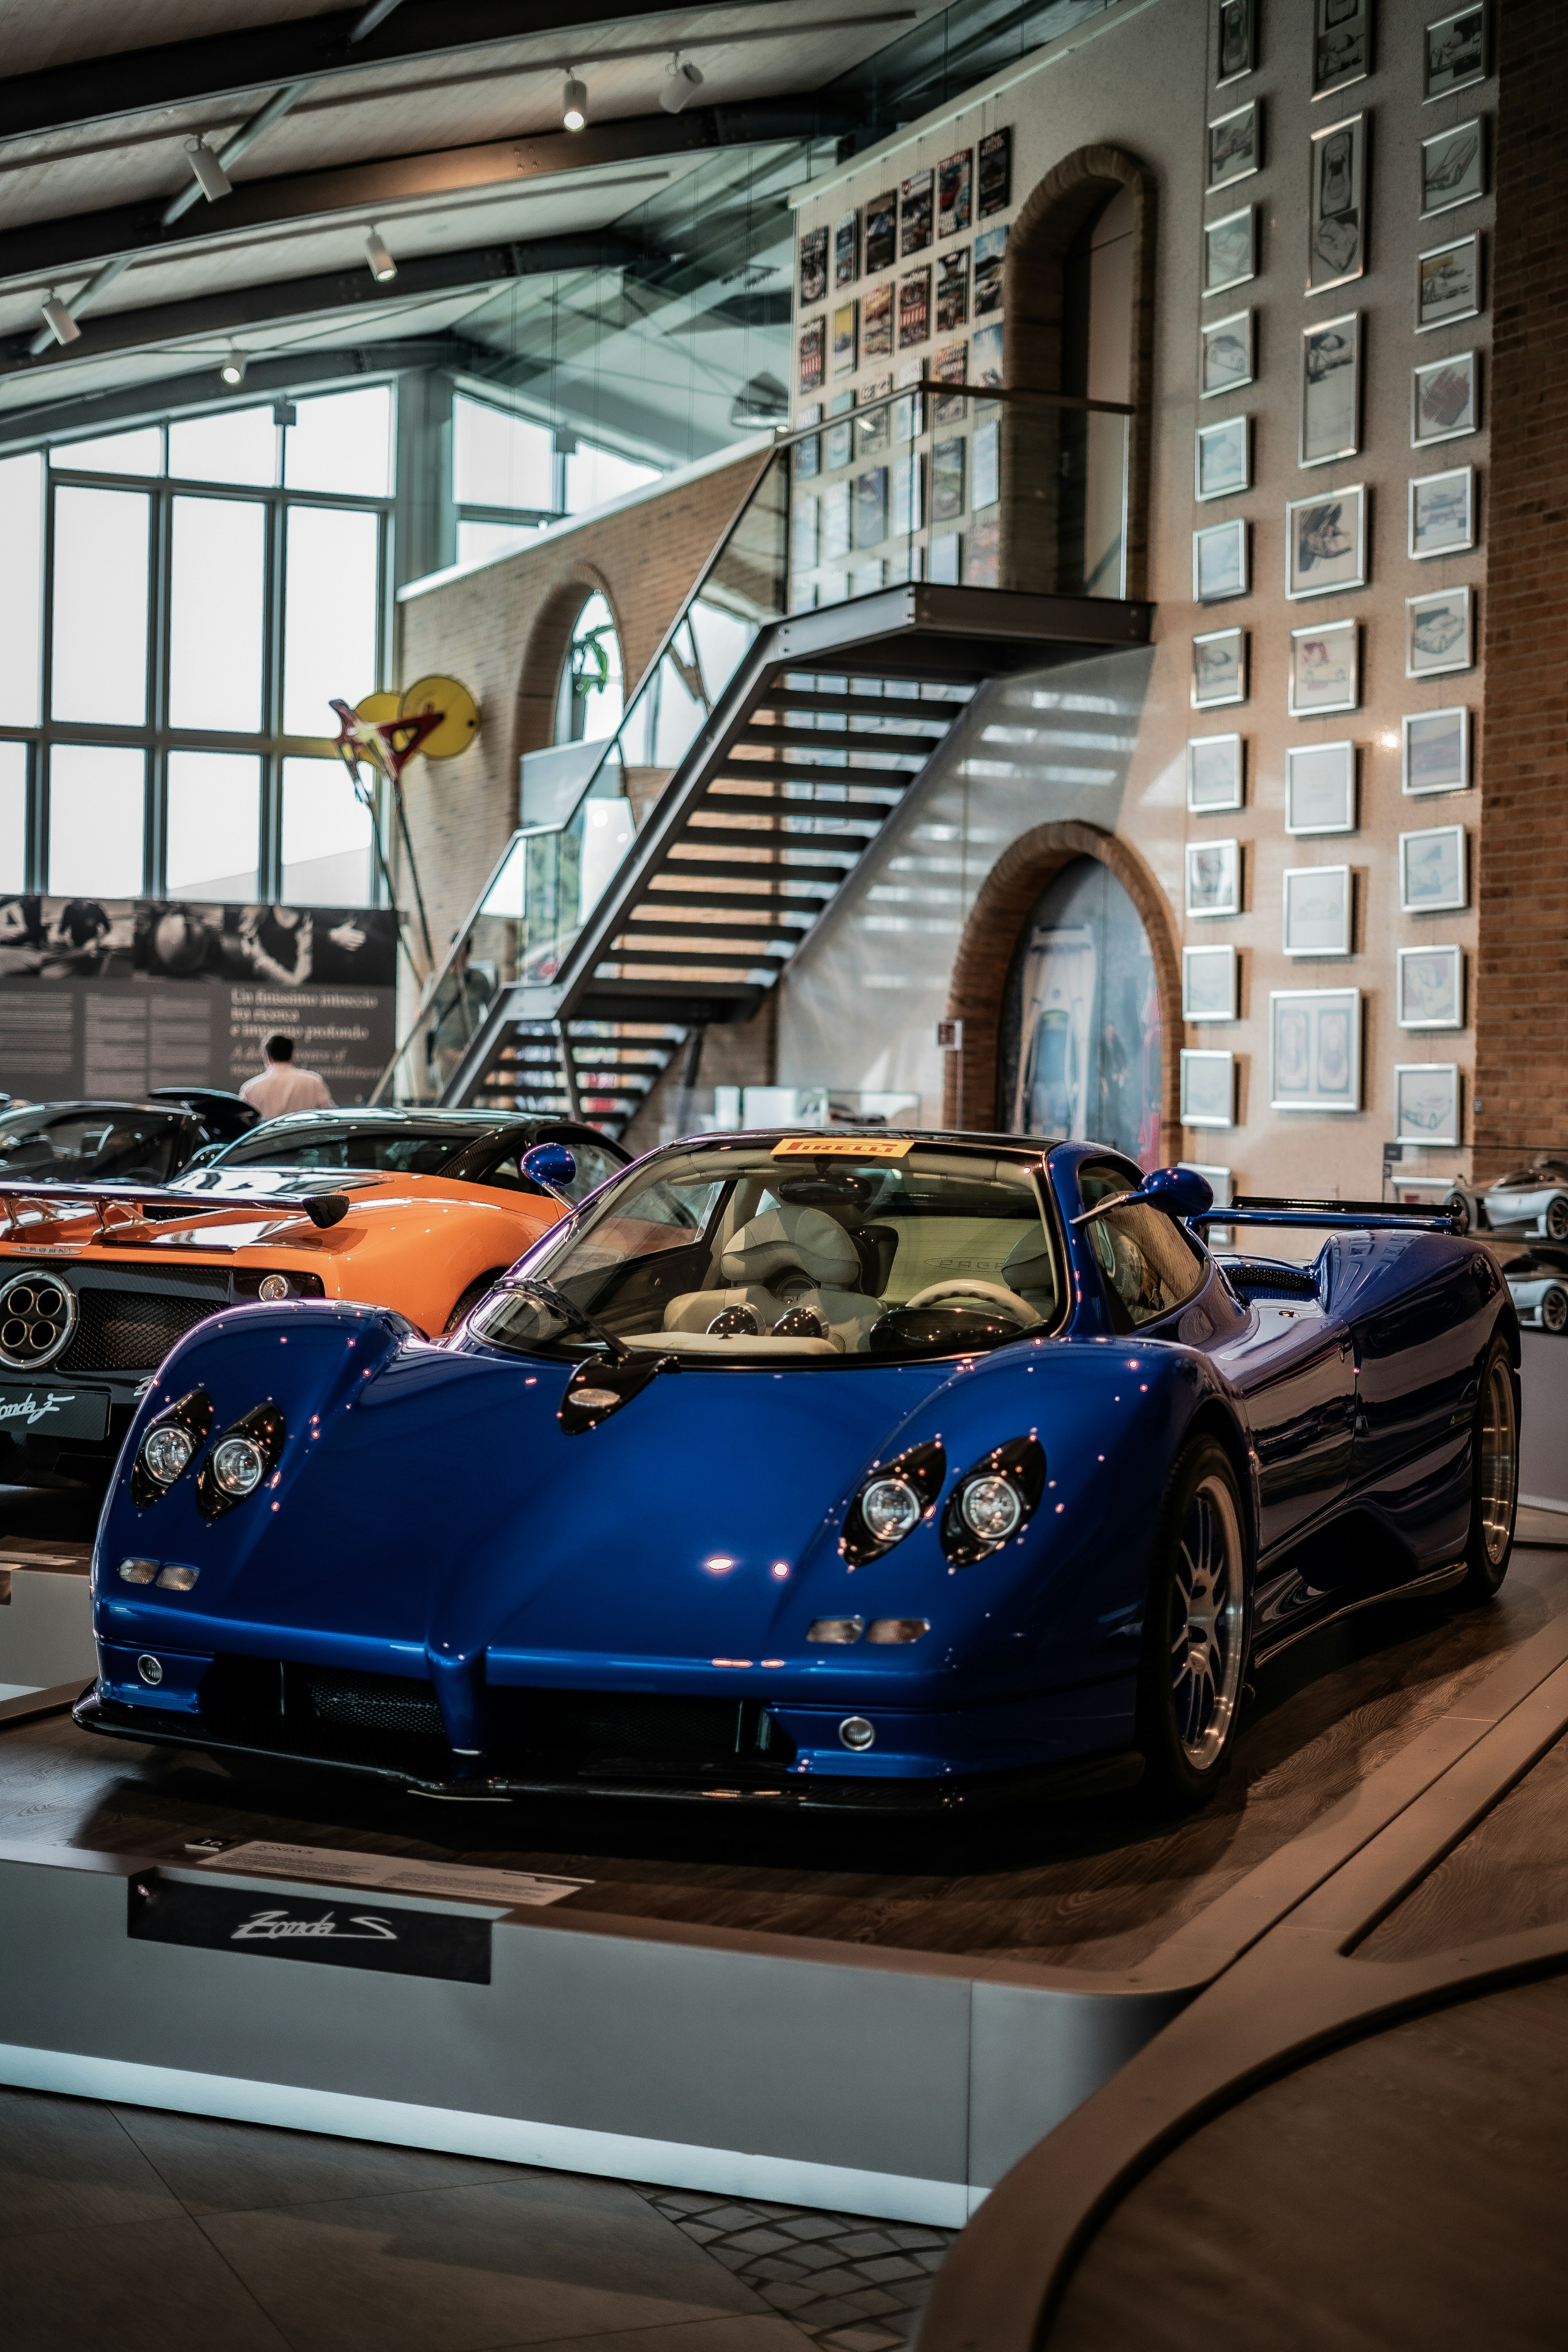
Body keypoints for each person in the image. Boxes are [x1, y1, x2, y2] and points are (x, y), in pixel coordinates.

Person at [239, 1035, 335, 1117]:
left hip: (268, 1138)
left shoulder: (250, 1088)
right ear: (292, 1056)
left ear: (267, 1057)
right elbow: (329, 1115)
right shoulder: (314, 1082)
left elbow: (244, 1124)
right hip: (306, 1138)